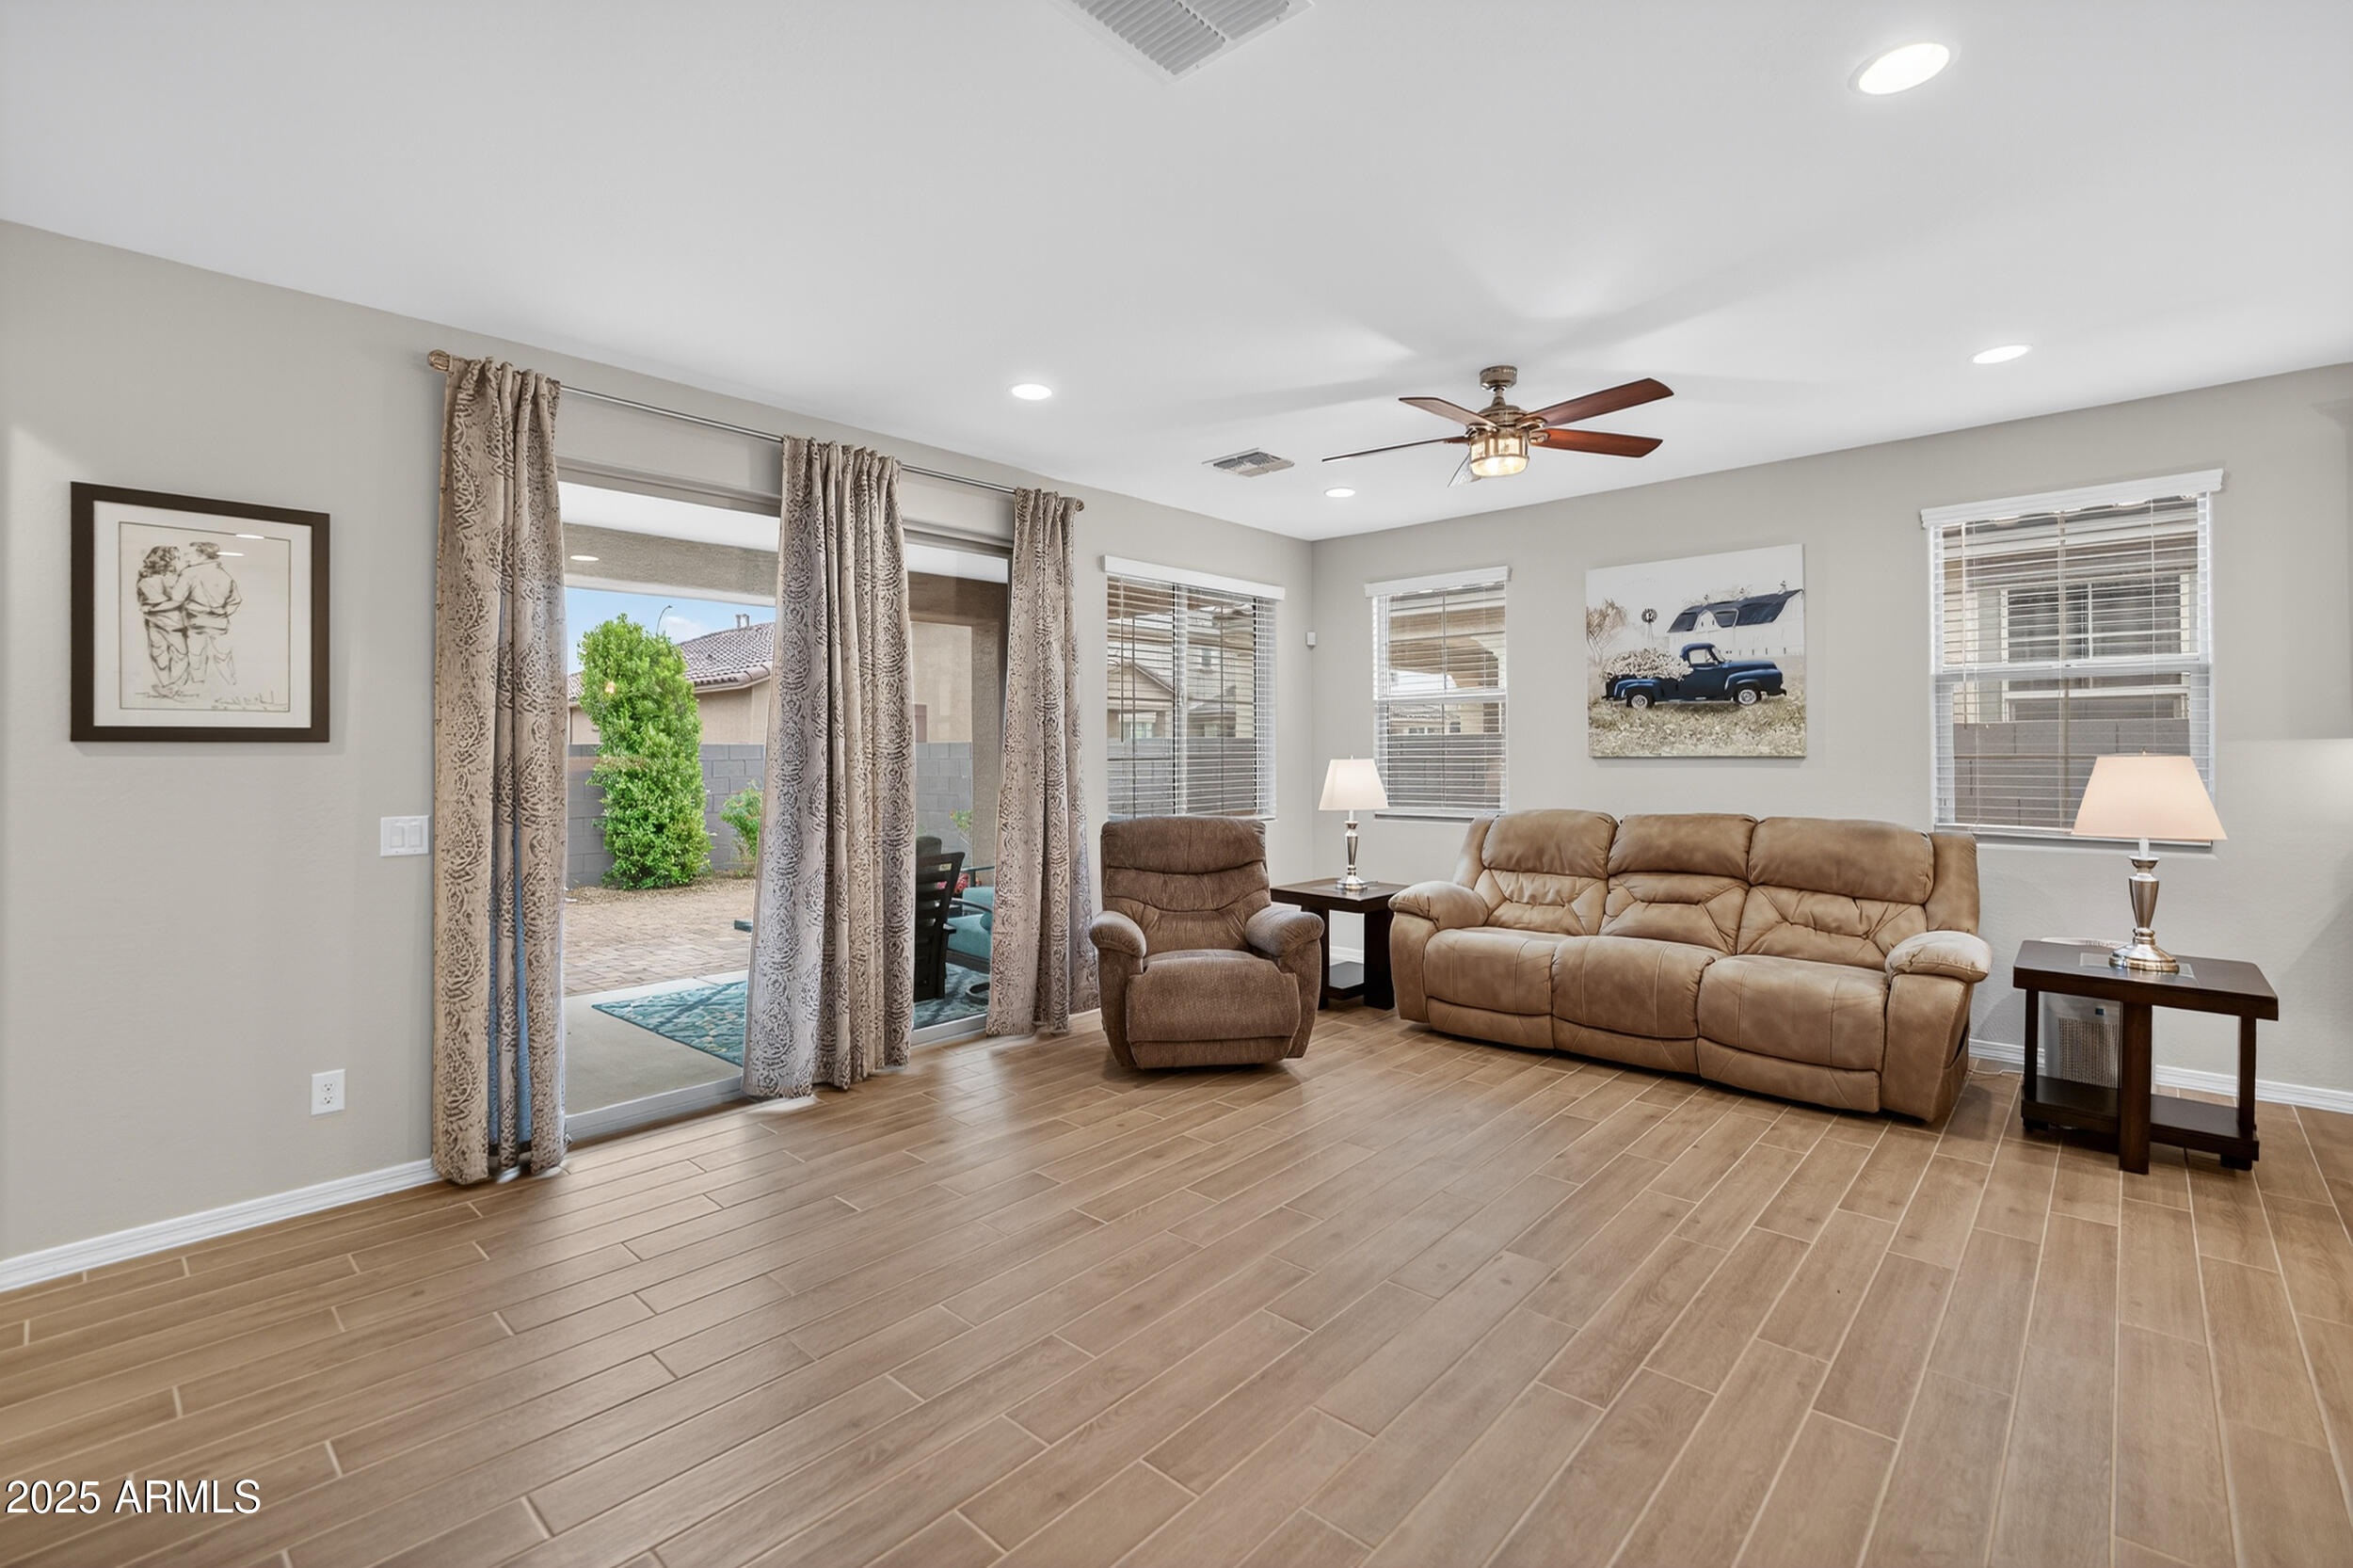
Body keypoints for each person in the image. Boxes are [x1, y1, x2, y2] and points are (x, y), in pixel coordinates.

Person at [177, 539, 243, 689]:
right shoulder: (224, 574)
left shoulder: (188, 573)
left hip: (196, 621)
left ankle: (197, 685)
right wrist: (223, 613)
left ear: (202, 556)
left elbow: (177, 597)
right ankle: (230, 683)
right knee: (223, 655)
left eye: (188, 554)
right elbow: (236, 600)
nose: (186, 557)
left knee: (196, 654)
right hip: (220, 622)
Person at [134, 544, 188, 696]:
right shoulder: (171, 578)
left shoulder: (145, 579)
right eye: (176, 557)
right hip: (172, 622)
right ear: (167, 559)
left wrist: (151, 609)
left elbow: (146, 603)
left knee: (159, 653)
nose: (179, 560)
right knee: (179, 653)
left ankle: (167, 686)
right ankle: (173, 686)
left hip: (154, 621)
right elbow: (177, 601)